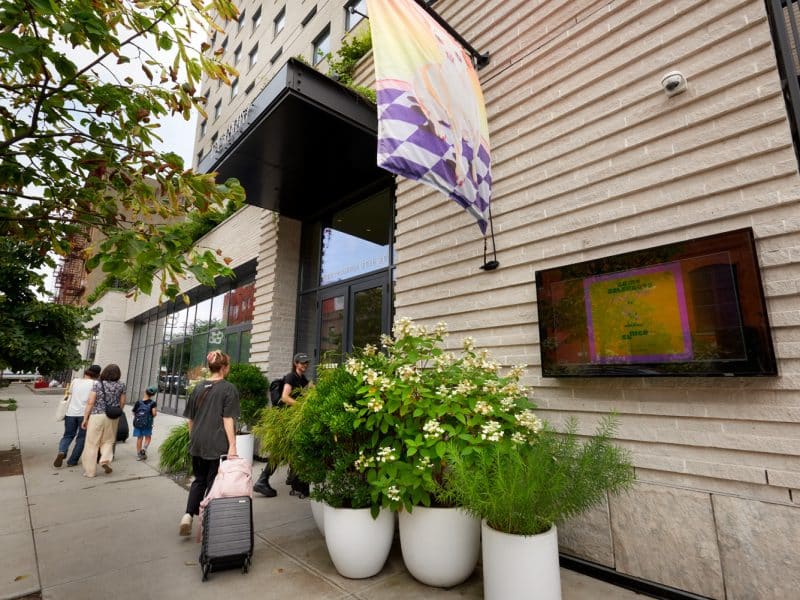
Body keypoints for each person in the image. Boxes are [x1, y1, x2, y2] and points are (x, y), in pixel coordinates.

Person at [179, 350, 239, 536]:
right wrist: (233, 445)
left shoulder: (198, 388)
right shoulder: (228, 389)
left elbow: (191, 418)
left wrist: (193, 437)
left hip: (197, 440)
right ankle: (208, 520)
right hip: (216, 442)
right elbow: (228, 419)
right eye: (228, 366)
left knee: (199, 480)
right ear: (223, 368)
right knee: (213, 482)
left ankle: (188, 515)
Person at [253, 352, 310, 497]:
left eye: (306, 363)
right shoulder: (291, 377)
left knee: (286, 451)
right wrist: (301, 406)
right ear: (295, 363)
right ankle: (264, 480)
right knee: (283, 451)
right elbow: (285, 397)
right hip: (285, 419)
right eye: (302, 362)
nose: (305, 365)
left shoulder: (303, 380)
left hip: (293, 419)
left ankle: (279, 480)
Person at [81, 363, 126, 477]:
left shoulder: (97, 384)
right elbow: (122, 402)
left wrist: (85, 418)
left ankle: (90, 471)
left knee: (92, 443)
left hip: (97, 415)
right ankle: (105, 460)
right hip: (112, 416)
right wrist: (117, 411)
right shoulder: (121, 385)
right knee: (108, 440)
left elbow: (91, 402)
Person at [54, 364, 101, 468]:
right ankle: (72, 461)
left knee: (68, 435)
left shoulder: (75, 381)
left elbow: (69, 394)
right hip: (85, 415)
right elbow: (94, 400)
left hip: (70, 413)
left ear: (86, 372)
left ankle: (62, 451)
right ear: (98, 374)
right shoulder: (96, 384)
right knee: (81, 438)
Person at [132, 385, 158, 461]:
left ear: (145, 392)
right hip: (148, 423)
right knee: (148, 437)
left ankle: (139, 454)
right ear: (153, 395)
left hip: (138, 423)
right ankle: (144, 449)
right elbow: (154, 414)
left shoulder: (138, 402)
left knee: (139, 438)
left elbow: (134, 412)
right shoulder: (153, 403)